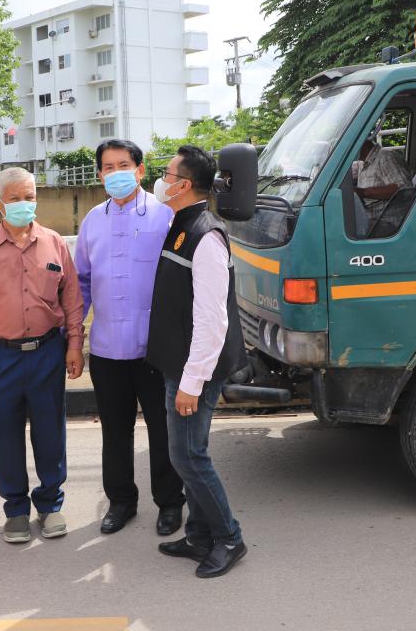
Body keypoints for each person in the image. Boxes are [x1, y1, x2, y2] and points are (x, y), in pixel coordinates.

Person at [0, 167, 85, 544]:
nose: (24, 204)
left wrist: (75, 345)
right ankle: (15, 509)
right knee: (5, 435)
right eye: (15, 199)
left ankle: (50, 504)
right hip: (0, 357)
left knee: (50, 432)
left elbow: (72, 299)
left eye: (30, 197)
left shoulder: (54, 243)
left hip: (48, 352)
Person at [147, 145, 248, 578]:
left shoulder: (206, 236)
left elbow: (212, 319)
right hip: (180, 362)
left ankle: (229, 537)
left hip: (196, 369)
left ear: (184, 185)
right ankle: (199, 536)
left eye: (167, 174)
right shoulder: (182, 224)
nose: (161, 181)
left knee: (188, 456)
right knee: (188, 454)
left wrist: (192, 382)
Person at [75, 138, 184, 537]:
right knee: (115, 431)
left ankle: (170, 503)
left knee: (163, 430)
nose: (116, 173)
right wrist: (74, 339)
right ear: (99, 174)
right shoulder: (92, 221)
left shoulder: (165, 216)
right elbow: (81, 284)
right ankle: (121, 501)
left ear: (140, 170)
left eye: (124, 165)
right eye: (108, 167)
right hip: (106, 349)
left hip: (155, 349)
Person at [351, 138, 412, 231]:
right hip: (370, 219)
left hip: (389, 223)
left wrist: (364, 192)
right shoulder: (362, 163)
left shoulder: (385, 157)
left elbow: (405, 189)